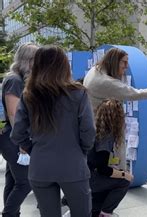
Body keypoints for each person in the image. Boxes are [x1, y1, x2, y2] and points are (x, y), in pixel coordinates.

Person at [11, 45, 96, 216]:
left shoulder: (29, 95)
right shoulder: (78, 94)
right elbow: (88, 131)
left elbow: (17, 133)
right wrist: (81, 150)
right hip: (73, 165)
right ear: (64, 65)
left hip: (40, 166)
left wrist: (34, 149)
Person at [83, 47, 147, 170]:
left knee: (100, 163)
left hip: (95, 126)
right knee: (113, 164)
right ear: (114, 61)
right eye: (124, 62)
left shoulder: (95, 70)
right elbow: (135, 94)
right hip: (105, 129)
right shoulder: (105, 82)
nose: (126, 66)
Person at [0, 42, 38, 217]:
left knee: (13, 180)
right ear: (28, 60)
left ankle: (12, 214)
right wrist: (22, 142)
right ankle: (9, 214)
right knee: (24, 182)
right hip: (13, 138)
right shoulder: (14, 80)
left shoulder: (14, 79)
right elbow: (13, 113)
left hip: (11, 137)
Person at [88, 99, 132, 217]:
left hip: (82, 176)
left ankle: (96, 209)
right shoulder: (106, 137)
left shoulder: (94, 130)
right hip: (90, 180)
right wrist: (124, 175)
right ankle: (105, 213)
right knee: (124, 181)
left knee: (116, 174)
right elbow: (103, 169)